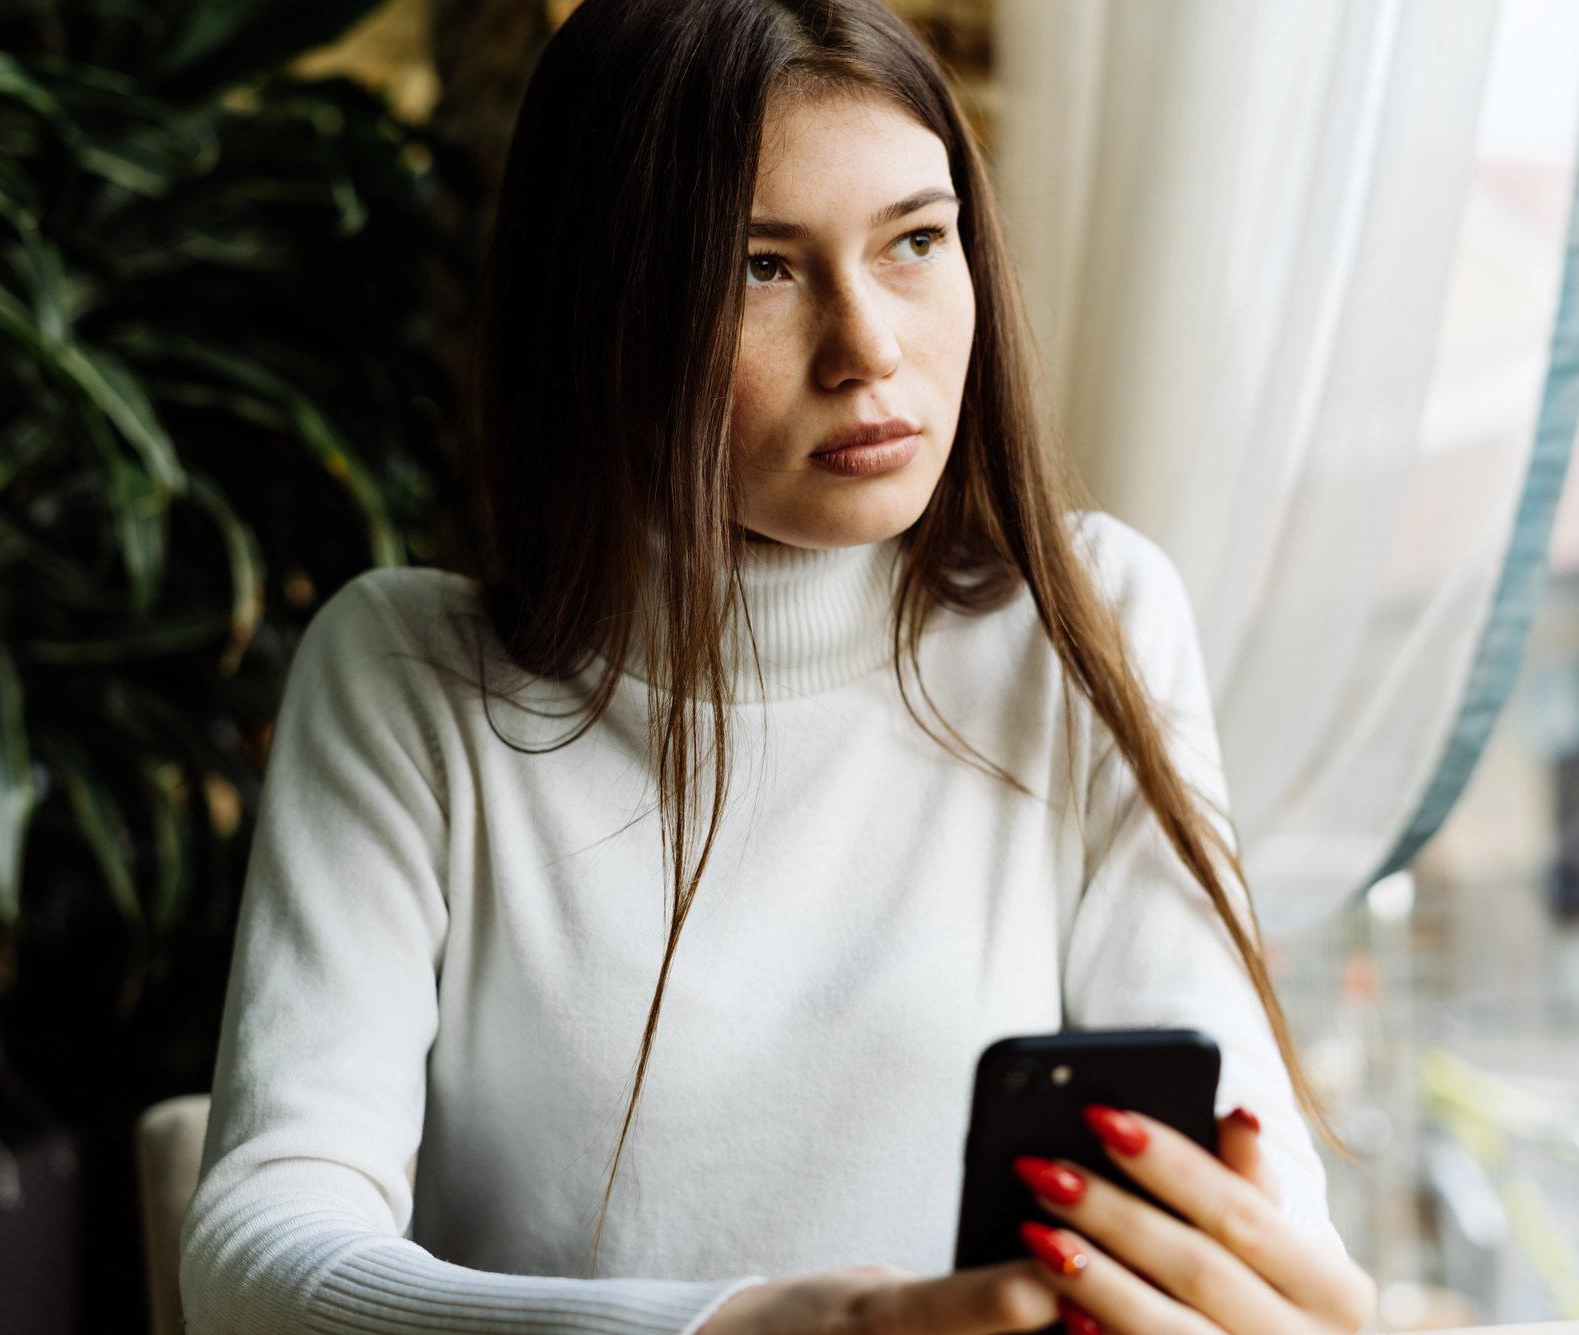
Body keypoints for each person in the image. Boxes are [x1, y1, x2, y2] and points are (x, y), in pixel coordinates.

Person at [180, 2, 1377, 1334]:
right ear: (601, 312)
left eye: (916, 241)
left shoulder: (1085, 620)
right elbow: (251, 1263)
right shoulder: (410, 676)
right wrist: (755, 1329)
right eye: (763, 267)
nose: (870, 347)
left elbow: (1241, 1174)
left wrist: (1251, 1278)